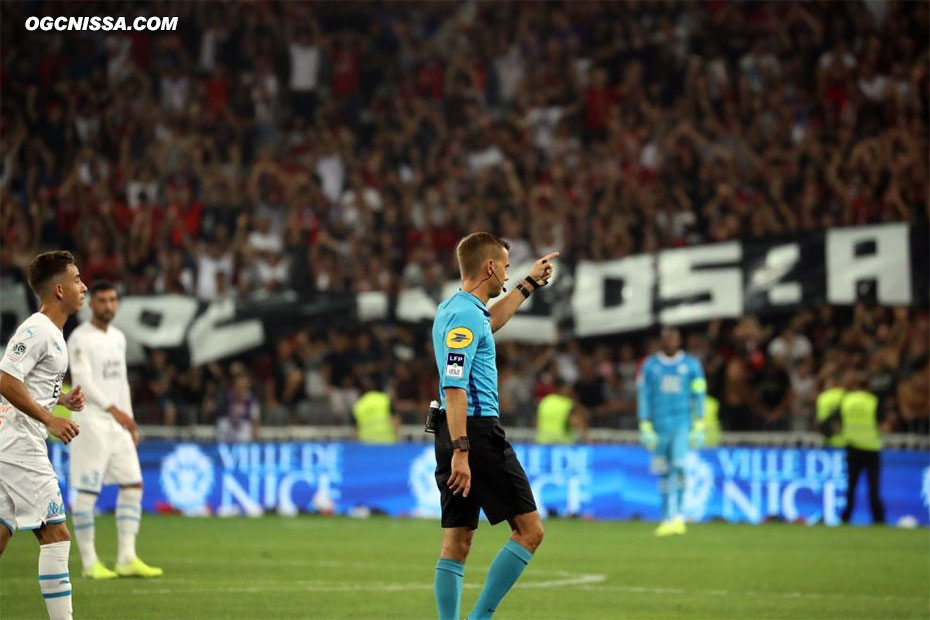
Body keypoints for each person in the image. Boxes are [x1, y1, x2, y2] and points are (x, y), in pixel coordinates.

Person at [431, 232, 557, 620]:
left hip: (451, 430)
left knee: (458, 539)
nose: (506, 272)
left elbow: (492, 322)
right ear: (489, 266)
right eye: (504, 266)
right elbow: (455, 386)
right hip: (475, 433)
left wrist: (528, 284)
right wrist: (463, 451)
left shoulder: (457, 309)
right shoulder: (466, 316)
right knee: (530, 531)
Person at [0, 251, 87, 620]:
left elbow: (30, 384)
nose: (83, 286)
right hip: (19, 444)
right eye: (78, 279)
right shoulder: (37, 330)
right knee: (56, 533)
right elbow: (6, 379)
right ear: (58, 290)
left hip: (12, 442)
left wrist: (61, 398)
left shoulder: (54, 336)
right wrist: (51, 419)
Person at [66, 281, 163, 579]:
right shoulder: (80, 338)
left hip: (117, 423)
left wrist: (129, 421)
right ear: (91, 304)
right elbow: (83, 381)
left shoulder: (119, 338)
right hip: (91, 420)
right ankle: (89, 563)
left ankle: (126, 558)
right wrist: (116, 411)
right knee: (87, 489)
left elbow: (121, 383)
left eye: (112, 300)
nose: (108, 305)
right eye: (102, 300)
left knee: (133, 483)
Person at [637, 326, 707, 536]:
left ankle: (680, 516)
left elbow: (699, 394)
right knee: (664, 471)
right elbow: (644, 395)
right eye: (666, 339)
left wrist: (700, 423)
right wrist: (644, 423)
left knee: (680, 468)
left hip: (681, 423)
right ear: (662, 342)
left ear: (679, 341)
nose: (670, 343)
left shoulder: (691, 365)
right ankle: (667, 517)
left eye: (673, 339)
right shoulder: (650, 366)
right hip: (659, 425)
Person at [839, 372, 886, 525]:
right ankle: (878, 518)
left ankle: (846, 517)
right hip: (871, 448)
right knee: (873, 486)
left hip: (852, 447)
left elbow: (834, 420)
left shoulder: (847, 400)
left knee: (851, 485)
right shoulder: (873, 401)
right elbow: (883, 422)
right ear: (868, 387)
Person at [535, 379, 588, 444]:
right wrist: (588, 438)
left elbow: (537, 421)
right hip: (561, 444)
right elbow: (576, 421)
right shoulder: (567, 404)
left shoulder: (545, 401)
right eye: (568, 389)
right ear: (563, 389)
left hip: (542, 443)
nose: (570, 391)